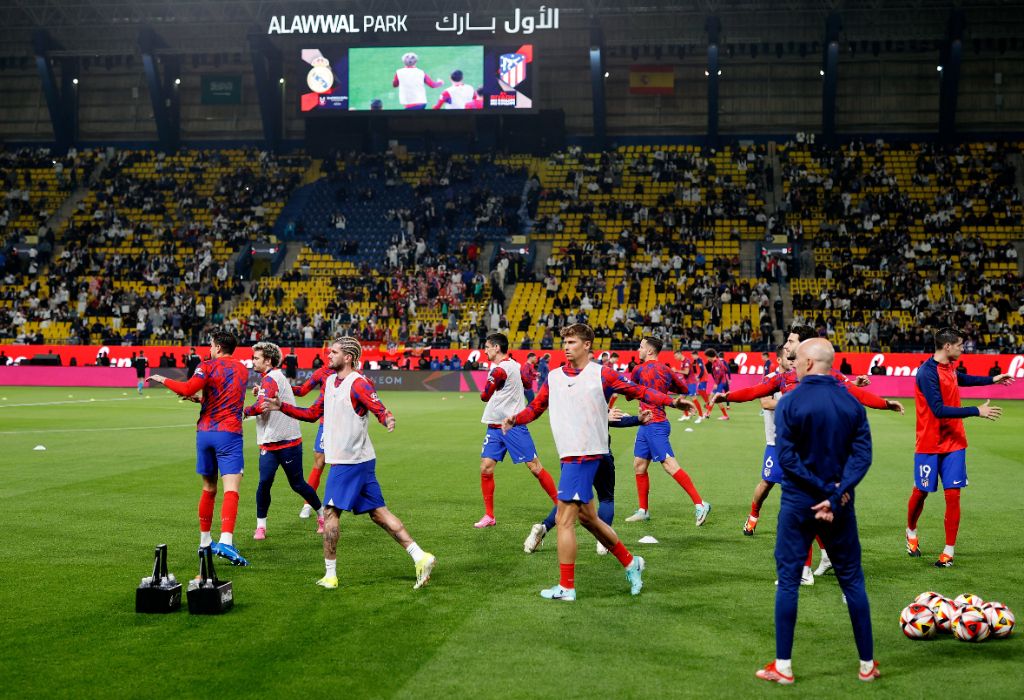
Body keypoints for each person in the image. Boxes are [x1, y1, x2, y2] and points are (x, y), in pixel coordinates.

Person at [502, 324, 695, 601]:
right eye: (564, 342)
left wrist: (673, 401)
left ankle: (567, 587)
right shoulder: (554, 377)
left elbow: (640, 391)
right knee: (588, 520)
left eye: (571, 342)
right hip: (569, 455)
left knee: (564, 519)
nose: (566, 347)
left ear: (587, 345)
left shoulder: (601, 374)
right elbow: (536, 407)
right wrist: (515, 419)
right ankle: (632, 562)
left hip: (587, 454)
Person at [265, 337, 436, 590]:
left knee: (331, 513)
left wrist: (387, 418)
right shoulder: (330, 382)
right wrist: (282, 407)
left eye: (333, 352)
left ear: (348, 357)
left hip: (349, 462)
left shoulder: (359, 384)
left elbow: (379, 407)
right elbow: (312, 414)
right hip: (358, 460)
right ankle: (420, 556)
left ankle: (330, 575)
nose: (328, 356)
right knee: (379, 514)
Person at [756, 338, 878, 685]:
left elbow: (788, 459)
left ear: (809, 363)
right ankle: (867, 666)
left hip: (798, 504)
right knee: (852, 580)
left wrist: (821, 493)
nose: (791, 363)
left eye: (795, 359)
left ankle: (784, 666)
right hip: (840, 505)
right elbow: (862, 457)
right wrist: (837, 493)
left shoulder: (789, 403)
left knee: (789, 582)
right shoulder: (851, 402)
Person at [905, 327, 1012, 567]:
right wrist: (977, 410)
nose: (963, 348)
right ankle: (911, 531)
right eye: (961, 345)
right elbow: (939, 410)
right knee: (921, 492)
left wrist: (992, 379)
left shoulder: (950, 368)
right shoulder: (926, 373)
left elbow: (962, 379)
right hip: (929, 443)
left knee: (953, 496)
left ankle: (948, 552)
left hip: (954, 442)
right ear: (947, 346)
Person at [148, 331, 250, 567]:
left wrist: (162, 379)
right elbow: (228, 399)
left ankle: (205, 543)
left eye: (211, 345)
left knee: (208, 487)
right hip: (229, 434)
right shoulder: (243, 370)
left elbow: (187, 389)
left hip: (205, 433)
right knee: (231, 488)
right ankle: (225, 540)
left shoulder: (206, 366)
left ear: (216, 347)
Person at [525, 400, 650, 555]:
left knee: (568, 500)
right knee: (606, 498)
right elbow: (612, 419)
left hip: (572, 457)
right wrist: (637, 419)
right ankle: (603, 542)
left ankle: (543, 527)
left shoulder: (564, 401)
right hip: (600, 454)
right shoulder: (592, 393)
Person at [624, 337, 712, 526]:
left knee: (669, 465)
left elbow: (629, 395)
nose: (638, 350)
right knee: (639, 465)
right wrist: (663, 388)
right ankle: (643, 510)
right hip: (648, 423)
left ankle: (700, 503)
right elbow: (683, 388)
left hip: (654, 423)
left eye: (640, 347)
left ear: (649, 351)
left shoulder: (638, 369)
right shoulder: (666, 370)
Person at [474, 334, 557, 528]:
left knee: (535, 467)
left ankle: (561, 506)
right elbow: (527, 384)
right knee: (486, 466)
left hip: (513, 426)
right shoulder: (513, 365)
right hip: (494, 426)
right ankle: (489, 516)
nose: (485, 350)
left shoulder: (501, 369)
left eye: (487, 347)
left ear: (496, 347)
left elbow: (485, 396)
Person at [244, 342, 324, 540]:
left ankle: (322, 515)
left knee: (297, 484)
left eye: (256, 358)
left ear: (268, 361)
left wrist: (243, 412)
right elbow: (266, 397)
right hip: (270, 442)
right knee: (264, 482)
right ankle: (261, 526)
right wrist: (260, 393)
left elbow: (261, 406)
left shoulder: (272, 378)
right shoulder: (271, 378)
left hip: (287, 441)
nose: (253, 361)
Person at [292, 351, 335, 519]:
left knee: (339, 465)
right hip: (326, 423)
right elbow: (303, 390)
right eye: (330, 353)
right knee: (319, 462)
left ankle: (333, 505)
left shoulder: (352, 374)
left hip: (345, 425)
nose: (331, 356)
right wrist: (282, 387)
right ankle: (308, 504)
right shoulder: (322, 372)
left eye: (334, 353)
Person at [703, 348, 731, 420]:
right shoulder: (718, 361)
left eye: (707, 357)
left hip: (720, 383)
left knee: (715, 398)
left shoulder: (716, 363)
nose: (707, 358)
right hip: (722, 382)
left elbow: (720, 373)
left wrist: (716, 383)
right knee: (716, 399)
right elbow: (725, 369)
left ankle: (707, 414)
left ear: (710, 356)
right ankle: (725, 415)